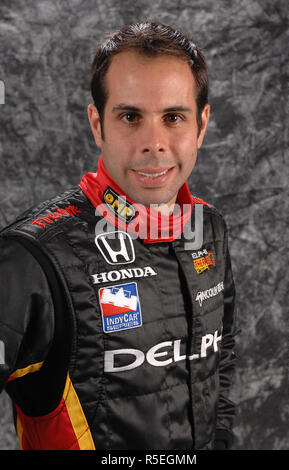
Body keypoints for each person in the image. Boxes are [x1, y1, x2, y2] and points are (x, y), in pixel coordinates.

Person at [0, 21, 238, 450]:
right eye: (130, 117)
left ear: (201, 125)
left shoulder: (209, 229)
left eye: (173, 117)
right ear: (97, 124)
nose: (154, 143)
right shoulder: (31, 257)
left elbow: (221, 363)